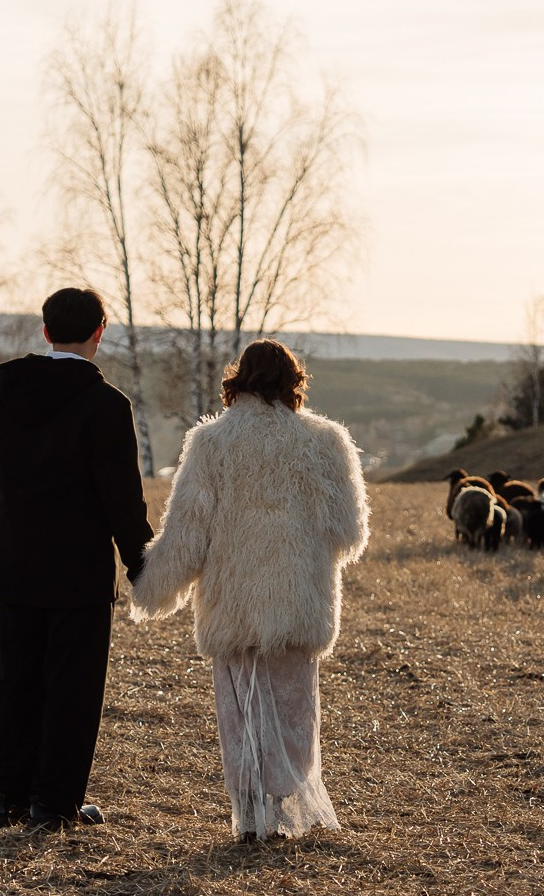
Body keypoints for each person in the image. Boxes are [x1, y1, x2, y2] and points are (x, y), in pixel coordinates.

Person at [129, 339, 369, 842]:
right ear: (293, 382)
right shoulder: (326, 441)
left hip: (233, 602)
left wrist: (150, 584)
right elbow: (349, 530)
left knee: (241, 713)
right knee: (294, 711)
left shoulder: (212, 442)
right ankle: (283, 811)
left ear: (237, 380)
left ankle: (250, 817)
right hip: (300, 599)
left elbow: (188, 530)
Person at [0, 287, 153, 832]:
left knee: (17, 681)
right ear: (100, 331)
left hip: (17, 563)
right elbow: (120, 497)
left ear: (45, 331)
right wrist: (142, 561)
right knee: (71, 688)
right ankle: (54, 804)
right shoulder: (107, 405)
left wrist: (1, 553)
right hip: (78, 570)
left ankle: (9, 796)